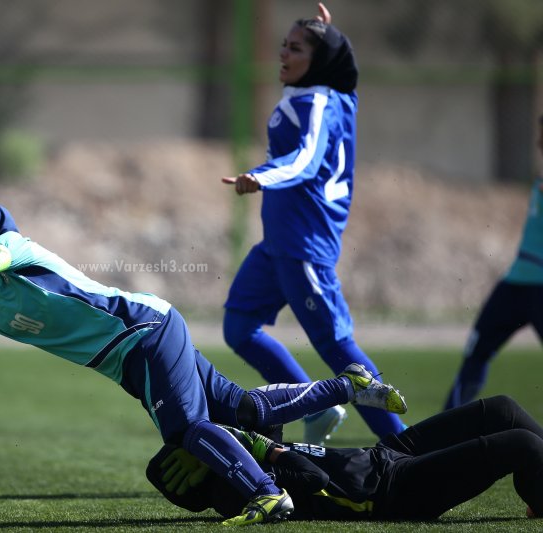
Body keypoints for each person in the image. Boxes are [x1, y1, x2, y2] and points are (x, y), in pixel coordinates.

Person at [0, 198, 407, 527]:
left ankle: (267, 496)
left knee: (188, 432)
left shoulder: (10, 248)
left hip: (146, 330)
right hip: (130, 359)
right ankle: (346, 387)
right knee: (239, 408)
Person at [220, 2, 403, 444]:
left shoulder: (320, 99)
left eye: (296, 48)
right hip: (278, 245)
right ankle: (318, 408)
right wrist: (328, 37)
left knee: (338, 350)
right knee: (239, 327)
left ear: (319, 61)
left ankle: (405, 445)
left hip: (304, 246)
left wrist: (260, 176)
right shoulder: (326, 92)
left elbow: (305, 160)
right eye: (283, 45)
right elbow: (343, 72)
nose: (283, 54)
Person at [148, 395, 543, 521]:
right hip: (394, 491)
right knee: (523, 444)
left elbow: (258, 411)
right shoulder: (237, 494)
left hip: (383, 455)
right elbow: (312, 479)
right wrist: (258, 445)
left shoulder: (234, 465)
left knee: (502, 410)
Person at [444, 117, 543, 409]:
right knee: (476, 354)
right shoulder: (538, 181)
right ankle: (443, 429)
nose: (538, 143)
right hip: (514, 286)